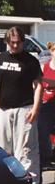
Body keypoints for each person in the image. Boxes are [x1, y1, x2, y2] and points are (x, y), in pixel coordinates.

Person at [0, 26, 43, 184]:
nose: (15, 45)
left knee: (26, 148)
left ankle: (29, 183)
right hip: (3, 109)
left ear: (23, 42)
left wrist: (36, 108)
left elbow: (39, 85)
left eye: (18, 42)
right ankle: (5, 182)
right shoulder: (0, 58)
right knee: (2, 147)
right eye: (12, 42)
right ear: (7, 42)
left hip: (24, 108)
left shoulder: (30, 61)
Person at [38, 41, 55, 174]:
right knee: (44, 132)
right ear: (51, 52)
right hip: (45, 104)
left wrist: (43, 78)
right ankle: (46, 161)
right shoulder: (44, 67)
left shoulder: (42, 73)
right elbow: (36, 85)